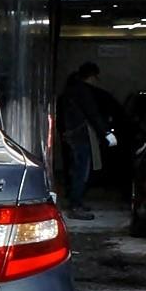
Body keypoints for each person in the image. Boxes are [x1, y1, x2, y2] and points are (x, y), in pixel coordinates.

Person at [59, 62, 116, 220]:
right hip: (80, 135)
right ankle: (75, 205)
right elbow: (93, 113)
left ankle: (76, 202)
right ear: (91, 76)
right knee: (81, 171)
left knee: (76, 169)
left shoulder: (71, 89)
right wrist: (106, 132)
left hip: (72, 134)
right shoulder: (82, 91)